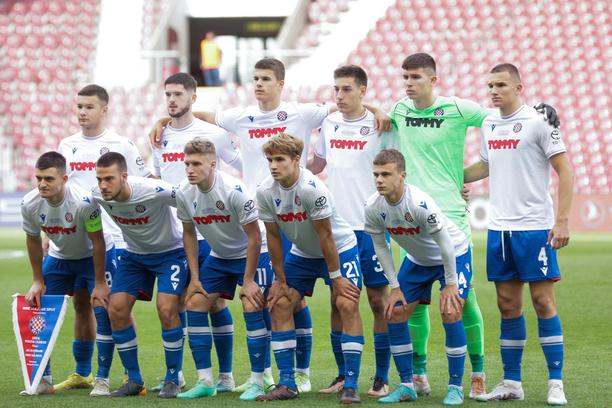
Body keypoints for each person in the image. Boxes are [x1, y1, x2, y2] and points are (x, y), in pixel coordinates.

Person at [149, 58, 390, 392]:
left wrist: (376, 110)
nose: (258, 84)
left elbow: (345, 104)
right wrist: (168, 118)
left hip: (303, 218)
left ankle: (307, 374)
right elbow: (205, 117)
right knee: (277, 298)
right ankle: (275, 376)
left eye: (265, 79)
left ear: (281, 83)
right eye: (255, 78)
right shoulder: (240, 116)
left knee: (310, 300)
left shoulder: (302, 114)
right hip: (261, 216)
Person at [389, 53, 557, 398]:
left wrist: (542, 107)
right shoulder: (398, 111)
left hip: (450, 216)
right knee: (414, 303)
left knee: (461, 300)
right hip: (412, 217)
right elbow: (373, 120)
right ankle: (418, 376)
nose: (408, 84)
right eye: (405, 77)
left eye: (416, 77)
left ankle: (477, 372)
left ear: (433, 80)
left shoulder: (458, 109)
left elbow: (504, 115)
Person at [464, 63, 572, 405]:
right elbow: (486, 165)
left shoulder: (539, 122)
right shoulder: (489, 123)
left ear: (519, 87)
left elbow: (565, 171)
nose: (493, 91)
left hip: (535, 227)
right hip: (500, 229)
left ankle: (556, 383)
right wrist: (455, 178)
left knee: (543, 302)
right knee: (507, 305)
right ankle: (512, 383)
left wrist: (563, 220)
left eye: (500, 85)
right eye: (490, 85)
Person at [149, 72, 244, 393]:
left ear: (193, 97)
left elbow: (242, 164)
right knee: (177, 305)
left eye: (178, 94)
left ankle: (224, 376)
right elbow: (159, 181)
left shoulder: (213, 134)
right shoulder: (159, 137)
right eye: (168, 95)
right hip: (174, 234)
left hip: (210, 234)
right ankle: (179, 375)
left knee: (208, 303)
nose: (172, 100)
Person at [308, 64, 397, 397]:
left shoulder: (380, 125)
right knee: (339, 301)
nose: (340, 95)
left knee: (377, 301)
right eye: (336, 89)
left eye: (347, 89)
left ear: (363, 90)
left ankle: (382, 376)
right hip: (337, 228)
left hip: (372, 227)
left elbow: (399, 167)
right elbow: (317, 164)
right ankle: (344, 375)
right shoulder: (329, 124)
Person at [56, 84, 151, 396]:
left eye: (89, 107)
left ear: (104, 109)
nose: (82, 112)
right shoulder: (66, 145)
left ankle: (129, 374)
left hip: (112, 238)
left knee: (113, 306)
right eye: (79, 106)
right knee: (81, 305)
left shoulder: (120, 144)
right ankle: (82, 373)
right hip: (74, 241)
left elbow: (142, 184)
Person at [255, 134, 364, 404]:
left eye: (279, 159)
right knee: (279, 302)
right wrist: (280, 279)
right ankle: (287, 384)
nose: (273, 166)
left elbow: (326, 236)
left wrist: (336, 277)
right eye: (270, 160)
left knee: (346, 304)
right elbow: (273, 236)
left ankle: (350, 383)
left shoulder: (312, 189)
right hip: (302, 253)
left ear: (296, 160)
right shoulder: (265, 191)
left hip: (338, 249)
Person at [364, 149, 472, 406]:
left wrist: (450, 283)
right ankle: (406, 386)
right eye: (376, 174)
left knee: (450, 311)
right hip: (416, 261)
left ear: (402, 176)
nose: (379, 180)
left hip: (453, 255)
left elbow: (445, 244)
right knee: (395, 312)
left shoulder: (420, 203)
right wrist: (395, 287)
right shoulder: (373, 207)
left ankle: (455, 387)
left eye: (386, 174)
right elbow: (381, 247)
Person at [173, 138, 273, 401]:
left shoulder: (233, 189)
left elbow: (255, 236)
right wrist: (194, 278)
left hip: (253, 254)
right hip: (219, 256)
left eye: (196, 164)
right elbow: (189, 235)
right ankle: (206, 381)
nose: (190, 169)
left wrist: (249, 280)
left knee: (252, 305)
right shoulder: (183, 192)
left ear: (213, 164)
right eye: (187, 164)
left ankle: (258, 380)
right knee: (195, 302)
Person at [92, 152, 187, 398]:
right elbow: (82, 217)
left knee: (167, 309)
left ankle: (173, 379)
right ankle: (134, 380)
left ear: (125, 176)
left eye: (109, 179)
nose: (103, 185)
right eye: (99, 179)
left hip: (170, 254)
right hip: (134, 257)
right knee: (116, 308)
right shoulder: (95, 195)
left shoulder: (155, 190)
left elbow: (190, 200)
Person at [20, 152, 107, 396]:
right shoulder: (30, 203)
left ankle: (100, 378)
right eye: (39, 178)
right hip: (59, 259)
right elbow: (33, 239)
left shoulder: (84, 201)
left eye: (48, 178)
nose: (42, 184)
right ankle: (42, 378)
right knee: (40, 310)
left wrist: (100, 282)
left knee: (102, 309)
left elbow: (98, 241)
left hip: (91, 257)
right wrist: (38, 280)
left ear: (65, 178)